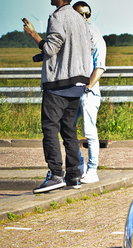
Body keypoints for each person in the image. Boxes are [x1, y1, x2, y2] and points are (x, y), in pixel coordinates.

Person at [23, 0, 93, 194]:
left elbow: (51, 49)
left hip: (58, 84)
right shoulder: (80, 20)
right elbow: (90, 47)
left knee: (50, 128)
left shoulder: (57, 16)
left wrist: (33, 34)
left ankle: (55, 175)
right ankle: (73, 176)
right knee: (69, 130)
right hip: (77, 84)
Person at [74, 1, 106, 184]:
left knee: (89, 131)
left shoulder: (96, 37)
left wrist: (87, 88)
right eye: (80, 14)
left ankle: (93, 169)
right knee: (68, 128)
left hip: (88, 92)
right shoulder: (72, 36)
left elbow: (99, 68)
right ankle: (80, 165)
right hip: (72, 91)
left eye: (87, 14)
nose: (84, 18)